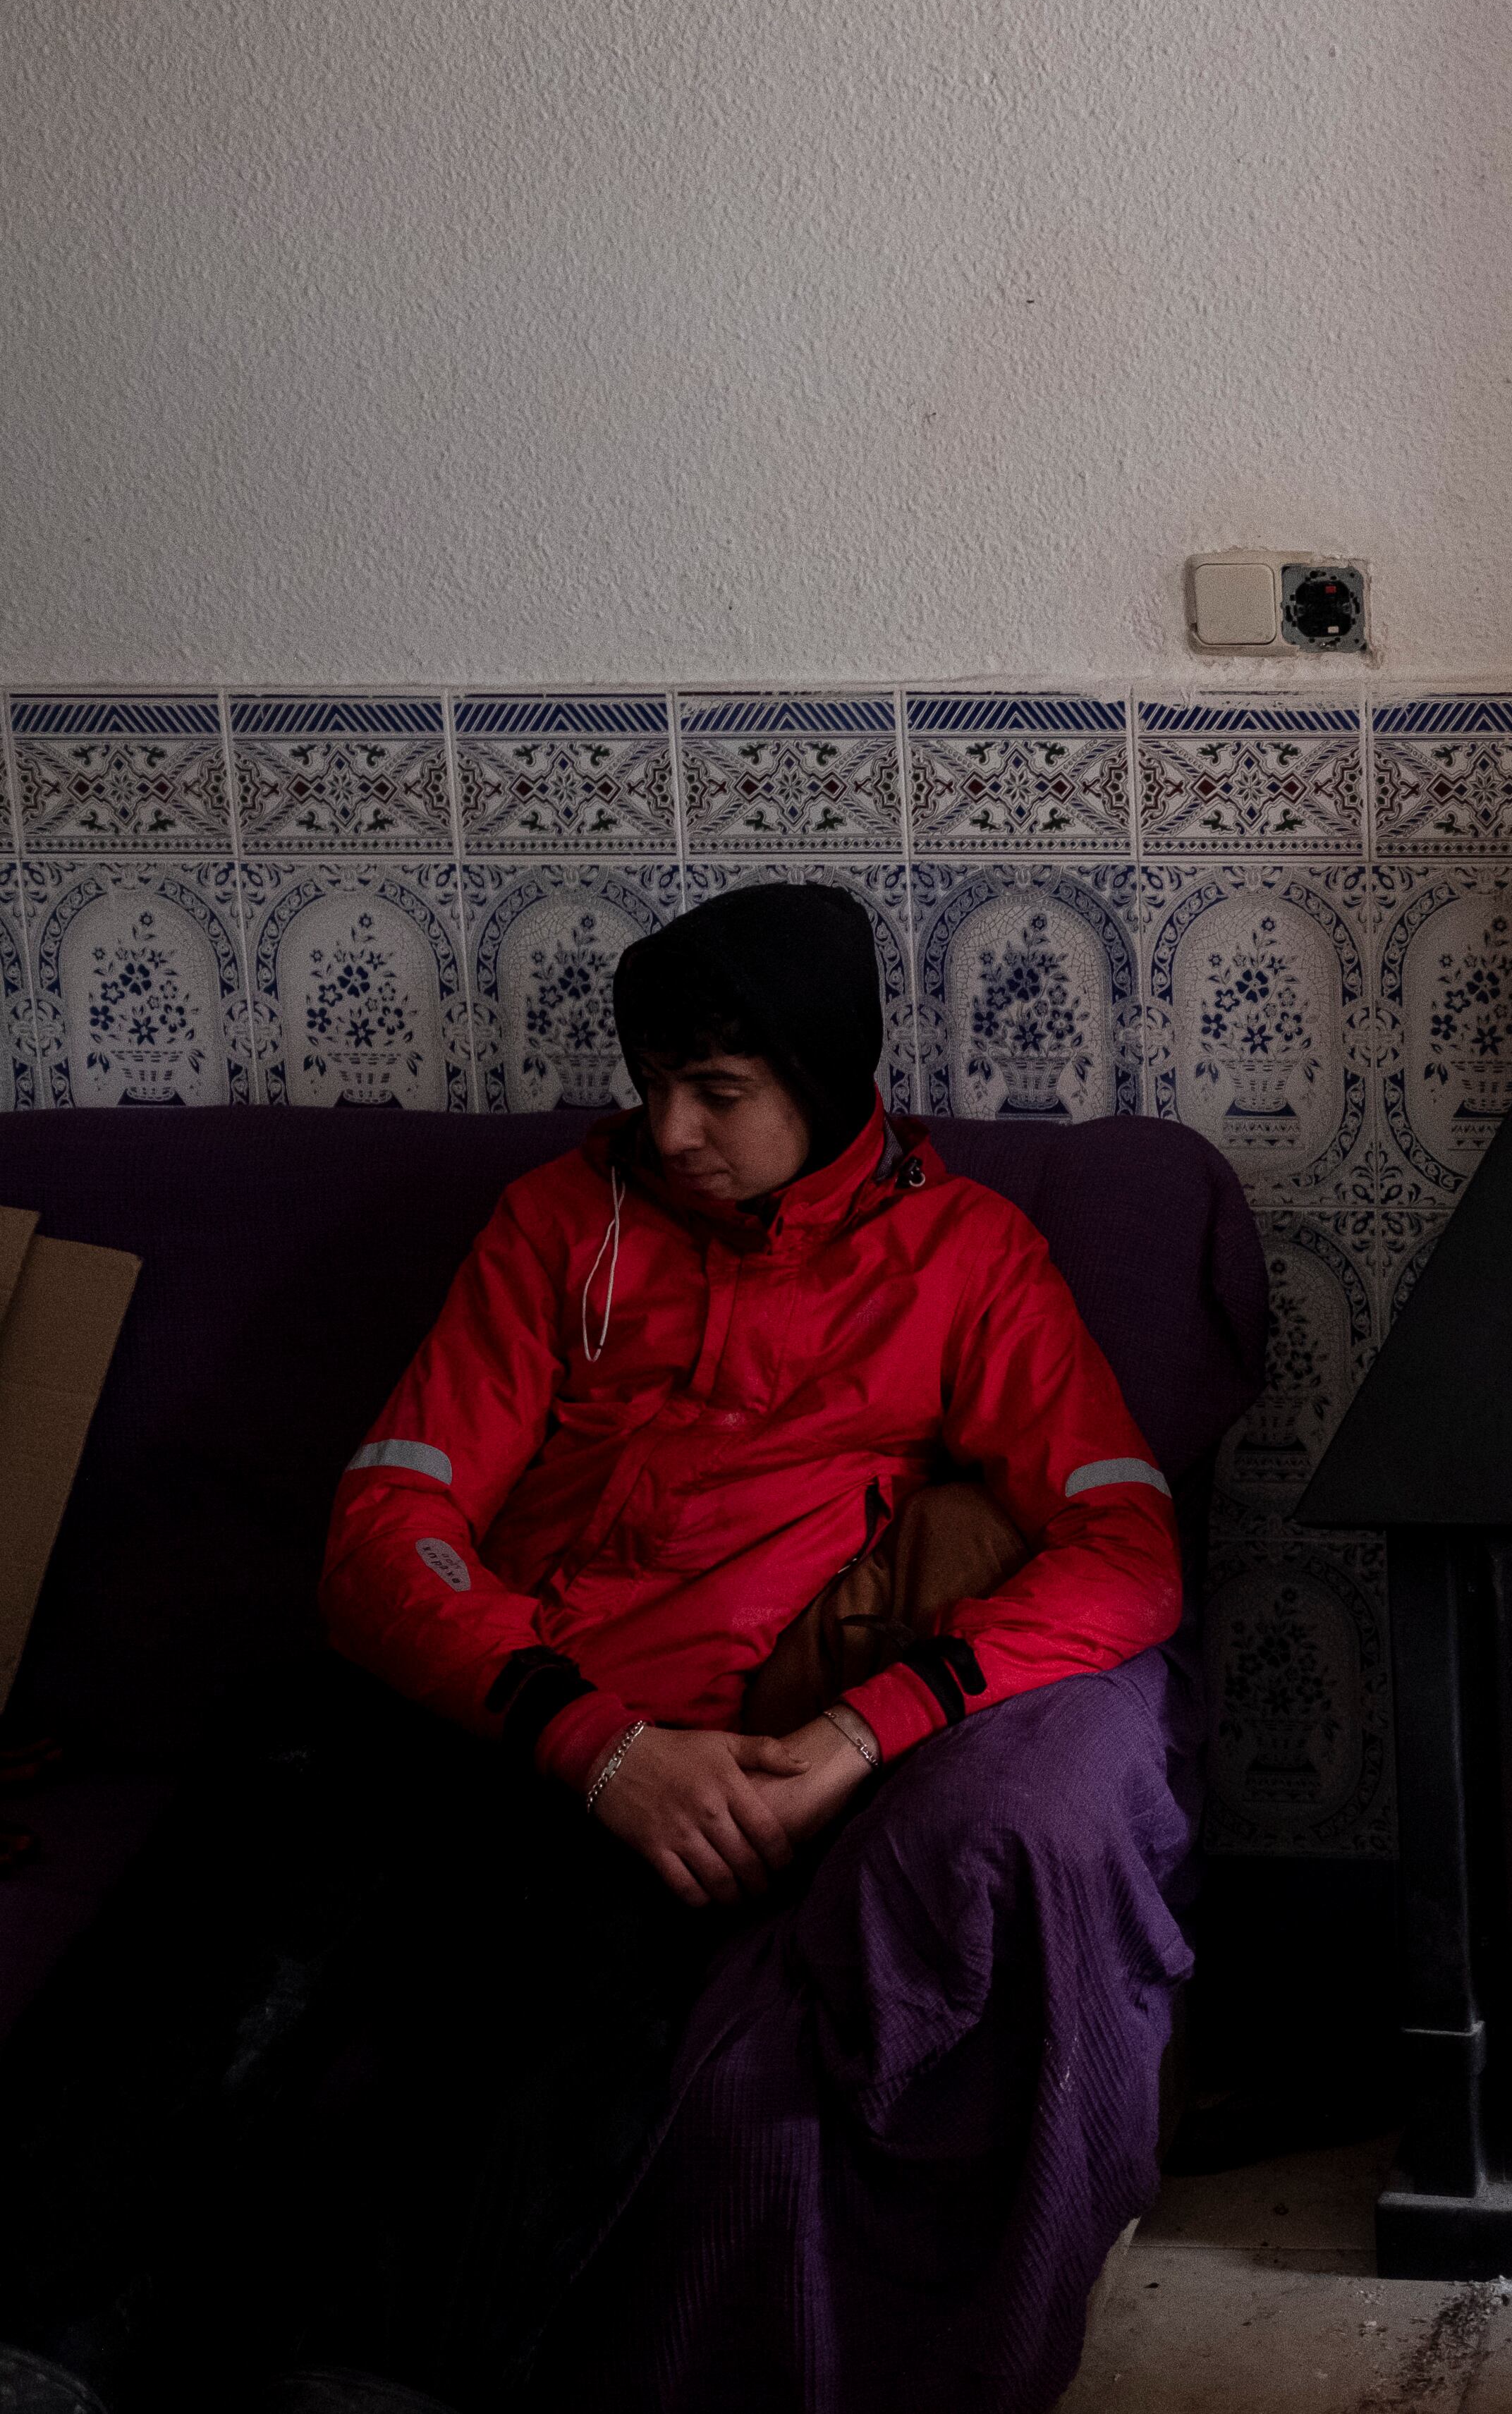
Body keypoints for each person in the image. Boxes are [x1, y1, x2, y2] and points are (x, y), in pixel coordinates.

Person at [0, 885, 1193, 2414]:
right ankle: (37, 2338)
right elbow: (384, 1525)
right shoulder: (558, 1220)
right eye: (654, 1086)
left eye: (719, 1092)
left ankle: (365, 2381)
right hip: (479, 1704)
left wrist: (860, 1732)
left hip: (695, 1759)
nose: (671, 1128)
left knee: (561, 2003)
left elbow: (1125, 1550)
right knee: (250, 1865)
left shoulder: (967, 1260)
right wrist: (579, 1737)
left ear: (821, 1081)